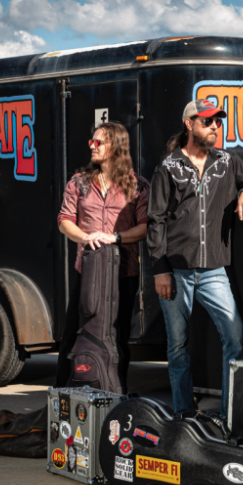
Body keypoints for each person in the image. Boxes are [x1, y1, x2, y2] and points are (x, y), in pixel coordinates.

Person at [147, 99, 243, 416]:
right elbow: (155, 220)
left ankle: (229, 414)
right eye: (207, 121)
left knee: (234, 335)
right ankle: (184, 414)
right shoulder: (168, 167)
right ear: (189, 124)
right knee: (177, 345)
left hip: (214, 271)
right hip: (176, 271)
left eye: (218, 122)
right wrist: (160, 270)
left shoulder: (227, 161)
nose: (215, 127)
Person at [56, 121, 150, 391]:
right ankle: (62, 396)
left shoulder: (138, 186)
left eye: (99, 142)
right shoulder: (79, 183)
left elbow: (146, 226)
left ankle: (116, 395)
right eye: (92, 141)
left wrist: (116, 237)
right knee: (73, 335)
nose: (92, 147)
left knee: (119, 338)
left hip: (124, 273)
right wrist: (85, 237)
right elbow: (64, 220)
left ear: (116, 147)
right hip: (87, 272)